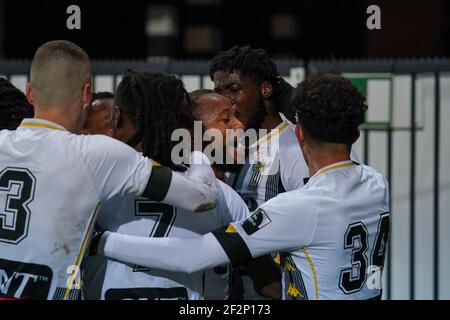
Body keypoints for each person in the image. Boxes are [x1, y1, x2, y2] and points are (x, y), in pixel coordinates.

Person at [96, 73, 390, 300]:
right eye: (226, 120)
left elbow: (194, 255)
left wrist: (98, 241)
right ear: (356, 132)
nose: (238, 126)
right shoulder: (377, 185)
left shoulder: (296, 207)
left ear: (299, 132)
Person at [0, 40, 218, 300]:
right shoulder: (96, 154)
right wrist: (195, 154)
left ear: (30, 93)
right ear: (85, 94)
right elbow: (201, 197)